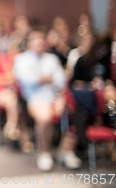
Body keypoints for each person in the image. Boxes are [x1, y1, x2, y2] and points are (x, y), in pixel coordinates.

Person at [13, 30, 81, 171]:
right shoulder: (22, 59)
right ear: (29, 44)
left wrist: (43, 80)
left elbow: (61, 81)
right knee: (44, 118)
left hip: (54, 97)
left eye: (41, 41)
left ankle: (66, 151)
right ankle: (44, 153)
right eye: (35, 42)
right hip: (34, 99)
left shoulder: (51, 59)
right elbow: (28, 80)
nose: (39, 45)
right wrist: (48, 78)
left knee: (75, 112)